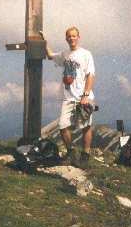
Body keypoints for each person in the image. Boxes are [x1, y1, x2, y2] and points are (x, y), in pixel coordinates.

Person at [40, 27, 95, 169]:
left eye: (74, 36)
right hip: (67, 97)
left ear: (79, 37)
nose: (71, 38)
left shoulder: (86, 54)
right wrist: (45, 41)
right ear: (66, 39)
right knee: (63, 126)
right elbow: (51, 55)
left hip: (82, 97)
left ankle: (85, 155)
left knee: (86, 127)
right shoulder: (64, 54)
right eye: (69, 36)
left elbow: (91, 75)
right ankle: (71, 153)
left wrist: (86, 95)